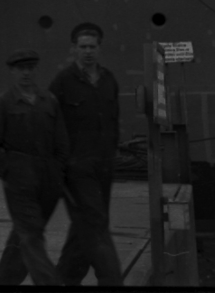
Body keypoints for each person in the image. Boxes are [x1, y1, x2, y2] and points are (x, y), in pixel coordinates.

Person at [0, 49, 69, 286]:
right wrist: (11, 170)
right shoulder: (2, 104)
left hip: (48, 180)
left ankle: (3, 283)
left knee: (25, 234)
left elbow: (61, 142)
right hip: (20, 180)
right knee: (31, 234)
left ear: (35, 70)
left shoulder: (49, 101)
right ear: (12, 71)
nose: (26, 73)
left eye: (30, 68)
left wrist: (57, 172)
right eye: (21, 69)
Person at [49, 23, 124, 286]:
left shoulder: (108, 80)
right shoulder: (62, 81)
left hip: (104, 165)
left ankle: (65, 278)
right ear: (74, 49)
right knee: (95, 221)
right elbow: (50, 123)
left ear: (99, 48)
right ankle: (112, 280)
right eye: (83, 47)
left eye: (92, 47)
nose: (88, 52)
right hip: (77, 166)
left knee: (86, 222)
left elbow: (113, 120)